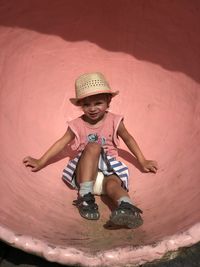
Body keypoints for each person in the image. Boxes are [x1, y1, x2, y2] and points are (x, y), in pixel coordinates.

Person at [23, 72, 158, 229]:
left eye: (98, 103)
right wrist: (40, 161)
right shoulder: (77, 124)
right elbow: (61, 143)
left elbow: (128, 139)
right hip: (86, 174)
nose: (92, 109)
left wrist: (142, 160)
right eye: (87, 105)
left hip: (109, 169)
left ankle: (126, 208)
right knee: (93, 146)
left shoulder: (115, 120)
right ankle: (85, 197)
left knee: (113, 185)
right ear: (81, 105)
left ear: (109, 101)